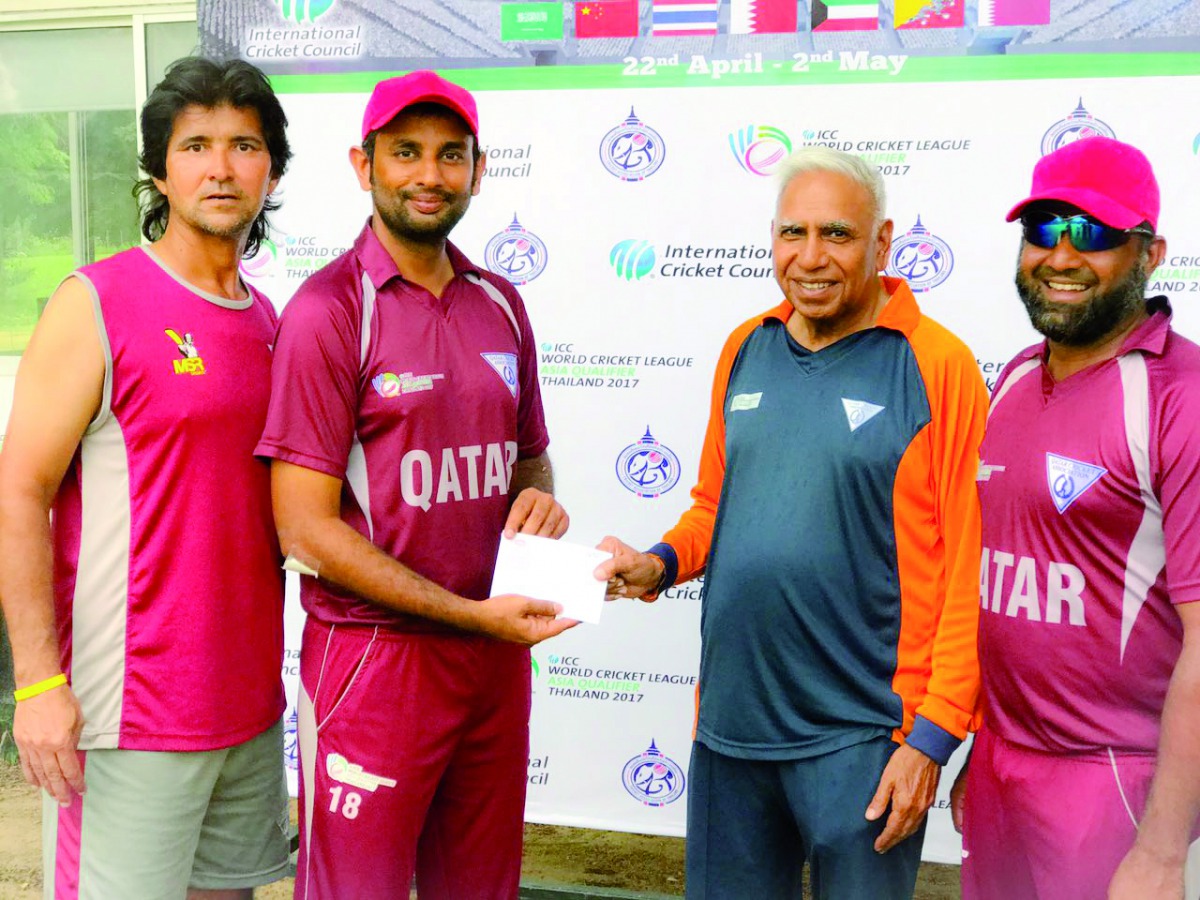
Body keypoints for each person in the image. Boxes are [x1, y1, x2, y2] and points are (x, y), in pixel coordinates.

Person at [596, 146, 987, 899]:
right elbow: (713, 507)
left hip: (865, 741)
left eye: (836, 235)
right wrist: (657, 565)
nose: (810, 258)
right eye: (792, 234)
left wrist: (932, 739)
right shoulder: (746, 347)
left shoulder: (937, 365)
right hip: (731, 734)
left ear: (882, 243)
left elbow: (969, 567)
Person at [254, 70, 573, 899]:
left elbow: (530, 457)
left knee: (481, 888)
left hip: (493, 660)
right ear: (364, 166)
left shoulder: (499, 301)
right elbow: (304, 531)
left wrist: (538, 499)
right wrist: (467, 614)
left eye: (449, 155)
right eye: (405, 153)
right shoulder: (330, 311)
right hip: (375, 664)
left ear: (477, 167)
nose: (429, 174)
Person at [0, 56, 292, 898]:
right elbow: (18, 491)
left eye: (244, 144)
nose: (221, 165)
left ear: (270, 171)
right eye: (195, 144)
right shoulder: (96, 301)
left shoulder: (270, 321)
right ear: (159, 169)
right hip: (125, 714)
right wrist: (39, 685)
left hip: (247, 707)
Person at [951, 136, 1200, 900]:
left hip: (1115, 782)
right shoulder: (1018, 377)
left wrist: (1160, 852)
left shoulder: (1177, 396)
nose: (1060, 256)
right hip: (1000, 768)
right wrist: (976, 752)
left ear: (1151, 252)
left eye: (1091, 234)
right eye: (1043, 230)